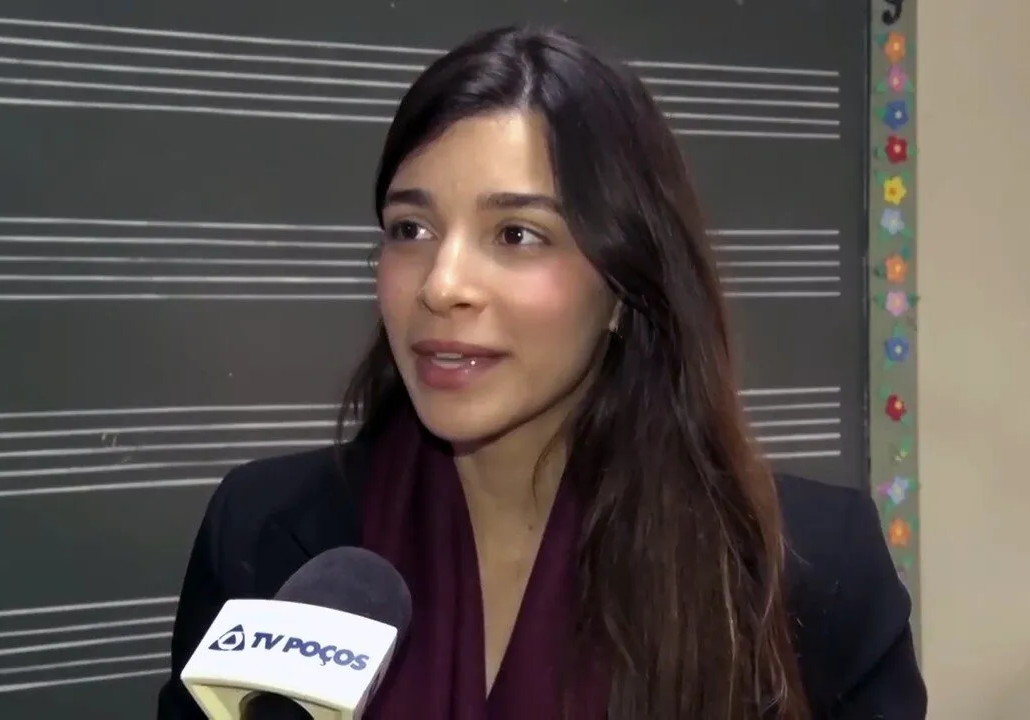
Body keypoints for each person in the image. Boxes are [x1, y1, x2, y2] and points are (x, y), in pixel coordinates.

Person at [157, 25, 926, 720]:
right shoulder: (262, 533)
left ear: (624, 286)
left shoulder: (812, 569)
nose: (442, 284)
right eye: (410, 228)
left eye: (517, 234)